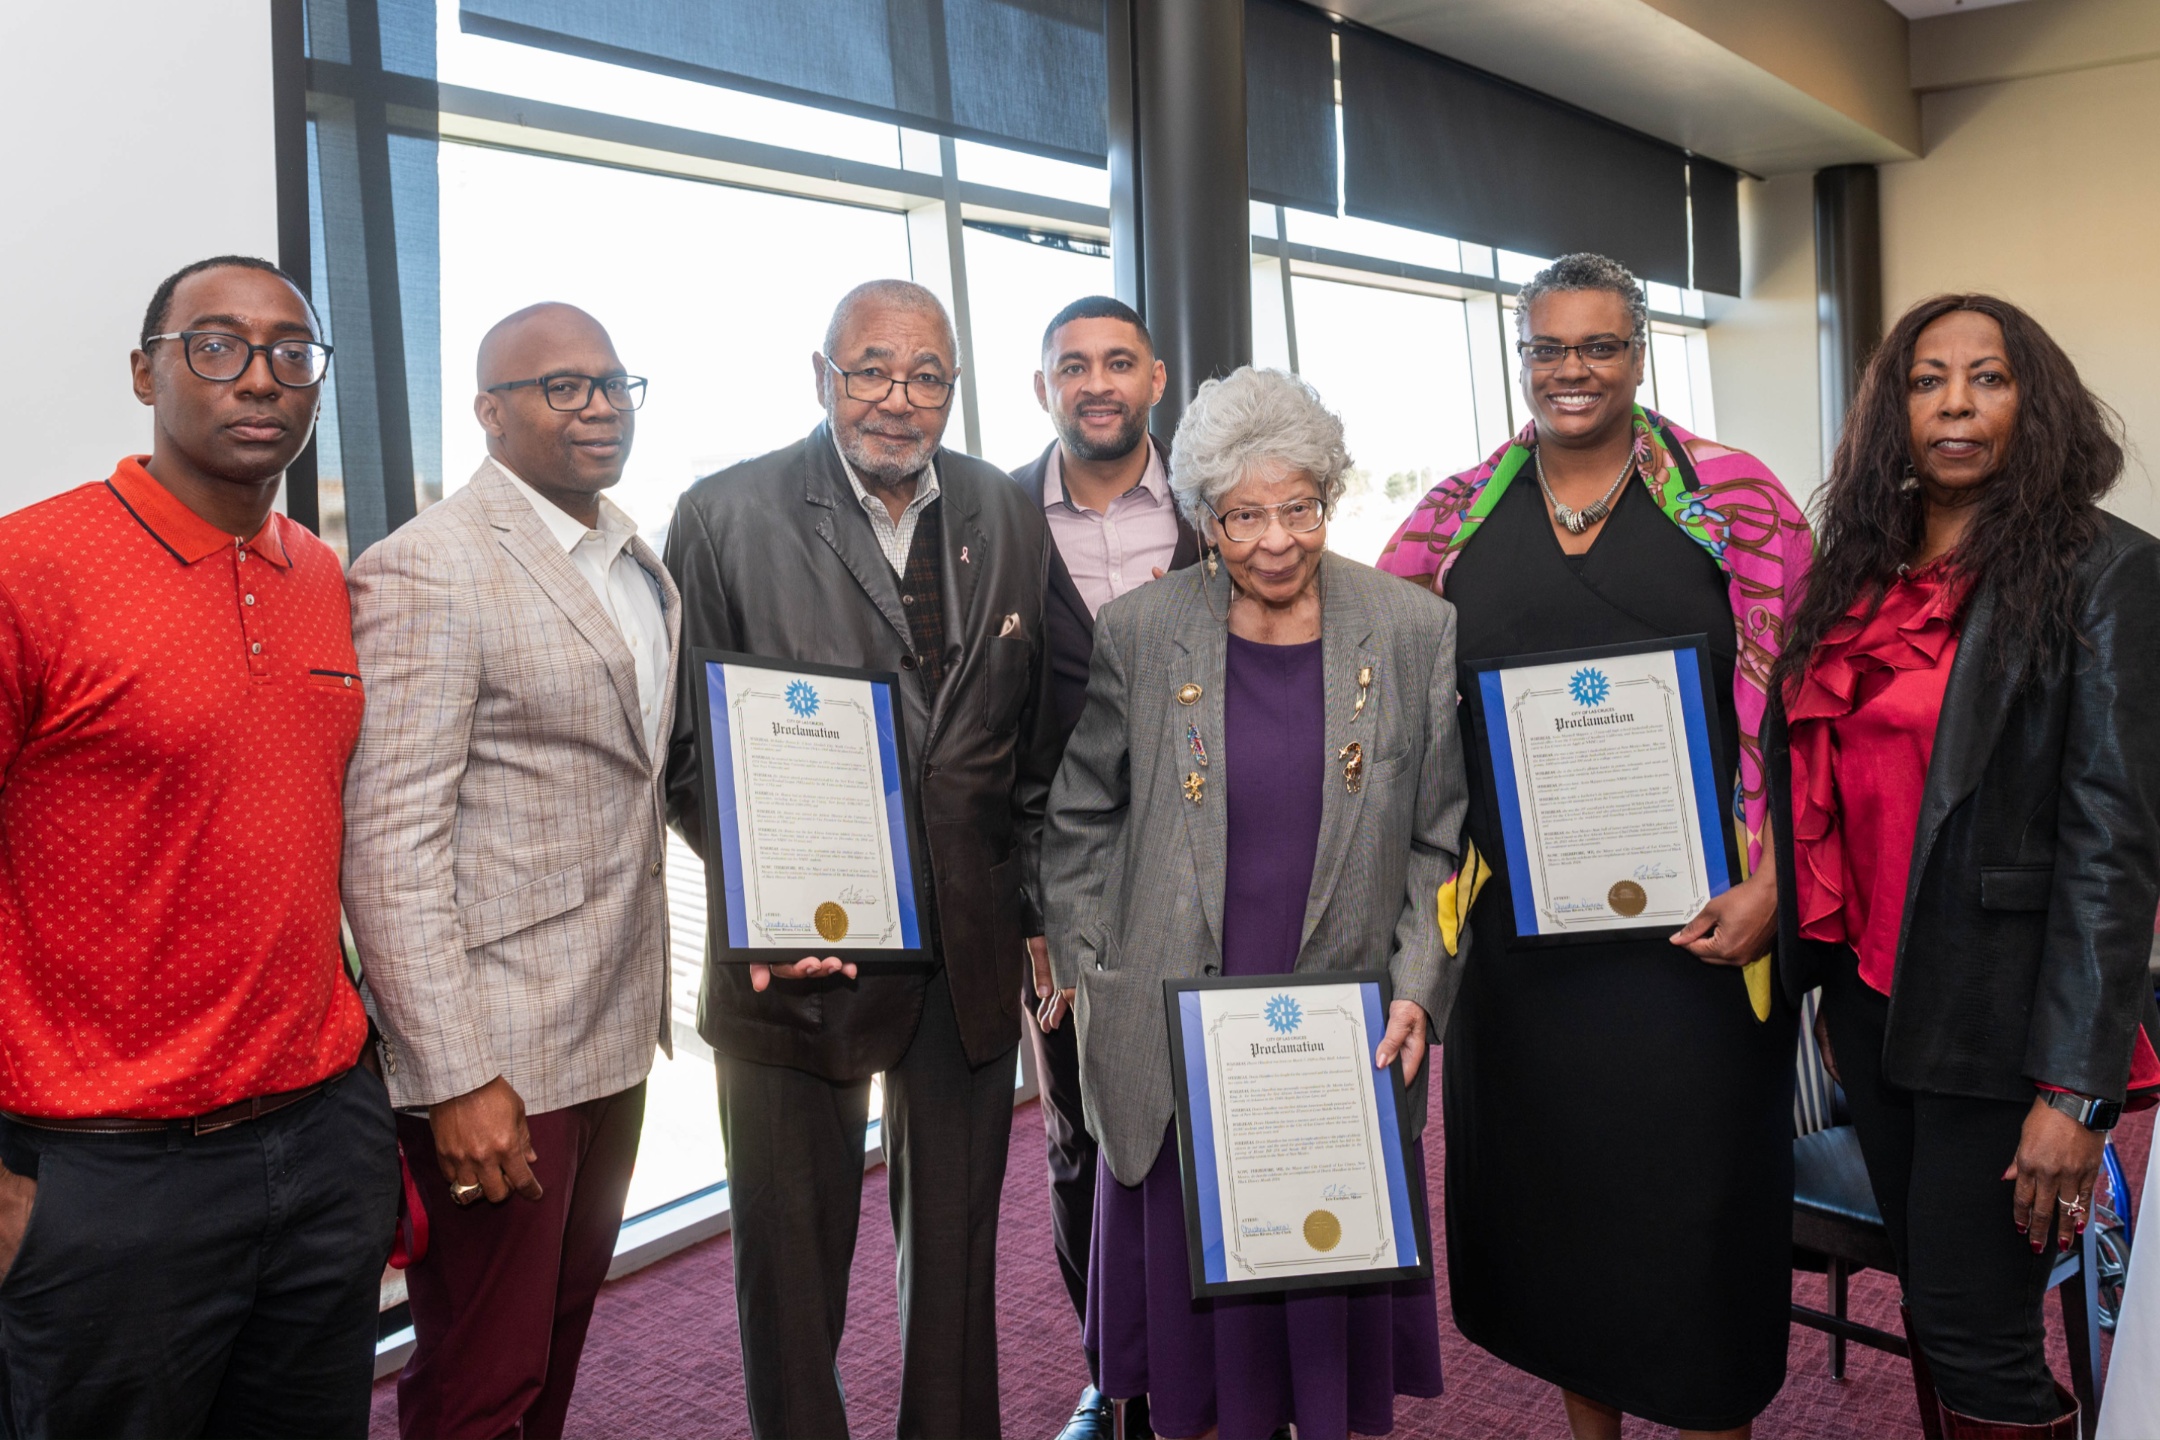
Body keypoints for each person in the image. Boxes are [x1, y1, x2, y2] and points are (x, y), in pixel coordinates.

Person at [1377, 252, 1812, 1440]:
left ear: (1639, 352)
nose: (1573, 370)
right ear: (1521, 359)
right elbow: (1386, 705)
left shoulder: (1741, 507)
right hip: (1528, 953)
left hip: (1702, 947)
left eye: (1600, 346)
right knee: (1566, 1226)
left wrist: (1776, 883)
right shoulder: (1451, 519)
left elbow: (1810, 709)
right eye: (1548, 349)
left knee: (1698, 1224)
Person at [0, 256, 398, 1436]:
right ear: (146, 372)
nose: (259, 378)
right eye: (216, 347)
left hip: (323, 1139)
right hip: (106, 1174)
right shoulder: (32, 567)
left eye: (291, 352)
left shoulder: (321, 577)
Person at [664, 279, 1056, 1439]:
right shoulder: (725, 512)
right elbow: (689, 747)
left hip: (969, 949)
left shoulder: (1001, 505)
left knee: (957, 1270)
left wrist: (1033, 908)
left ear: (954, 385)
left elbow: (1032, 738)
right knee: (789, 1278)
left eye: (925, 373)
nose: (897, 397)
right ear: (822, 376)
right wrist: (770, 908)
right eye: (870, 369)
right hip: (798, 958)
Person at [1042, 366, 1462, 1440]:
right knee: (1198, 1374)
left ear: (1329, 496)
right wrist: (1098, 970)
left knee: (1313, 1326)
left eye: (1299, 507)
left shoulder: (1411, 629)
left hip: (1339, 1034)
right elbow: (1082, 813)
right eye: (1243, 516)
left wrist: (1419, 986)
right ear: (1204, 519)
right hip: (1178, 1025)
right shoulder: (1142, 631)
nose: (1274, 540)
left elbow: (1438, 838)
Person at [1767, 293, 2160, 1439]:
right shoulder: (1860, 565)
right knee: (1942, 1314)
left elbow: (2114, 841)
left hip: (2001, 1021)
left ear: (2032, 402)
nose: (1954, 404)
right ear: (1894, 407)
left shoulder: (2106, 572)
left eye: (1987, 378)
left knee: (1977, 1332)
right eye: (1927, 378)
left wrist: (2076, 1092)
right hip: (1873, 1001)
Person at [344, 303, 679, 1439]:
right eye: (562, 387)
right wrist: (453, 1077)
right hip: (499, 1058)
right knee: (481, 1372)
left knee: (555, 1339)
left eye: (612, 382)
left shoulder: (632, 555)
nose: (597, 406)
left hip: (614, 1025)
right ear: (491, 414)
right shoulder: (427, 569)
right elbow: (389, 847)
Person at [1008, 294, 1197, 1440]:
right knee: (1084, 1135)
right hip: (1060, 891)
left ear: (1156, 378)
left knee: (1210, 1113)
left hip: (1215, 872)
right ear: (1043, 390)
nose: (1096, 382)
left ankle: (1232, 1363)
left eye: (1117, 361)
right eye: (1071, 365)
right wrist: (1034, 909)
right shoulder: (987, 520)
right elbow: (986, 734)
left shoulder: (1220, 511)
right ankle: (1112, 1371)